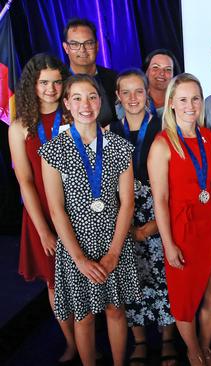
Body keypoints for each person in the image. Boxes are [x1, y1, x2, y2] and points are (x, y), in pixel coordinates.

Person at [39, 74, 140, 366]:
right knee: (82, 316)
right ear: (67, 103)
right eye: (78, 98)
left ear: (101, 101)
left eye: (93, 97)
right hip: (75, 246)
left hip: (113, 241)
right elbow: (56, 210)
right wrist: (80, 259)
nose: (87, 104)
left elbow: (128, 203)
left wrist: (113, 254)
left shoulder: (119, 147)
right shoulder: (53, 150)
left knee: (115, 310)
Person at [148, 73, 211, 366]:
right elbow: (160, 200)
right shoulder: (162, 144)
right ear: (171, 103)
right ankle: (193, 351)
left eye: (195, 98)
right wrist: (168, 244)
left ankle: (205, 346)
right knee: (184, 298)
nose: (190, 105)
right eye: (183, 99)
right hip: (183, 229)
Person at [8, 53, 76, 363]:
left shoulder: (74, 114)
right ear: (32, 85)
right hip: (42, 215)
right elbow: (25, 182)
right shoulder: (20, 126)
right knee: (55, 282)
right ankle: (71, 343)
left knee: (85, 275)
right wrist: (43, 230)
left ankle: (89, 337)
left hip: (78, 210)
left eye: (57, 82)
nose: (51, 88)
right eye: (43, 82)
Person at [108, 69, 177, 365]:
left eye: (139, 91)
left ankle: (168, 338)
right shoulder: (109, 131)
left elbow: (176, 180)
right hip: (123, 214)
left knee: (165, 276)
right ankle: (138, 340)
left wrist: (156, 224)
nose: (133, 98)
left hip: (160, 211)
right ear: (118, 96)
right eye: (127, 92)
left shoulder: (164, 126)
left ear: (148, 93)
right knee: (130, 277)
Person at [62, 18, 117, 126]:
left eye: (88, 43)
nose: (82, 49)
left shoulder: (114, 79)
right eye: (74, 44)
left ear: (97, 46)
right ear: (66, 48)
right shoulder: (58, 84)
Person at [143, 49, 180, 117]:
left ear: (174, 75)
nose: (162, 73)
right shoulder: (133, 102)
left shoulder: (181, 105)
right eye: (155, 67)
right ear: (146, 72)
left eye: (168, 69)